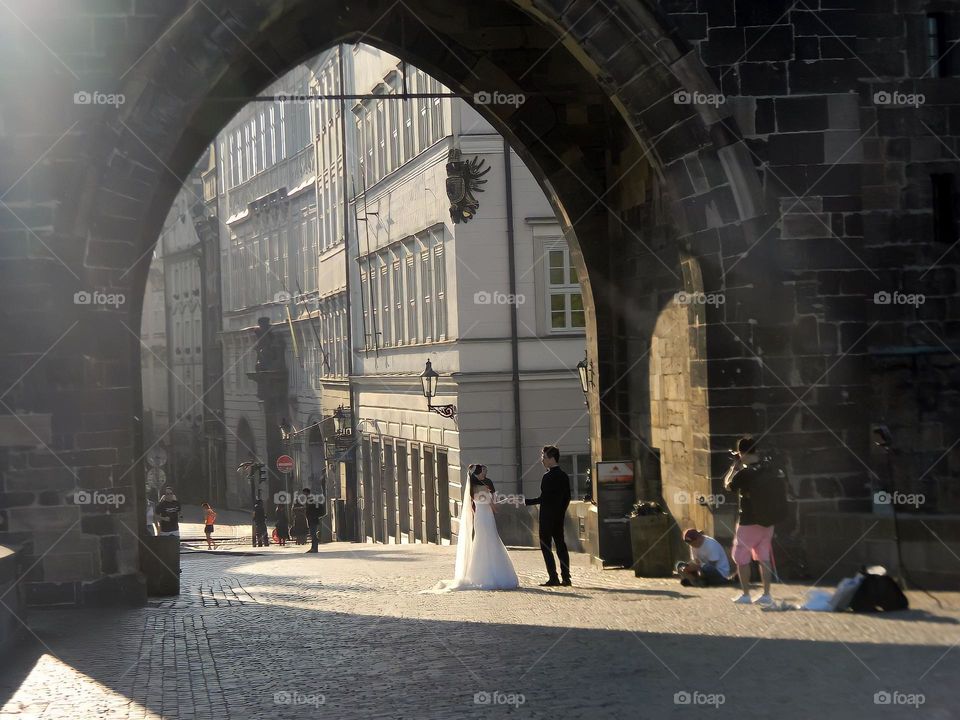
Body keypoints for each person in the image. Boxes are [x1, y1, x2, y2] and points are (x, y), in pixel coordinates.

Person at [426, 463, 519, 592]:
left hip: (479, 517)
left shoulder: (472, 488)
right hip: (487, 517)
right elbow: (494, 506)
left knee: (481, 542)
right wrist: (506, 501)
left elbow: (474, 506)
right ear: (478, 473)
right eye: (483, 471)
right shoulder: (484, 487)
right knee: (492, 541)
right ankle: (494, 573)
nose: (485, 473)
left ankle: (477, 574)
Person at [724, 435, 788, 606]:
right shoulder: (768, 467)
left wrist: (733, 469)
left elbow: (728, 485)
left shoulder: (744, 473)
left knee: (740, 556)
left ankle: (746, 594)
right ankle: (766, 594)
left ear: (741, 452)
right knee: (763, 556)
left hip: (748, 521)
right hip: (768, 520)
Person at [525, 446, 572, 586]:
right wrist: (561, 512)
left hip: (547, 517)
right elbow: (567, 498)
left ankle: (553, 577)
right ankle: (566, 577)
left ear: (552, 459)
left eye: (544, 457)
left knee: (546, 547)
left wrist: (525, 501)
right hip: (559, 517)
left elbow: (543, 499)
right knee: (561, 546)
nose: (542, 460)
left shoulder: (547, 476)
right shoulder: (563, 475)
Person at [302, 488, 322, 553]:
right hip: (311, 519)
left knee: (313, 534)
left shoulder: (310, 500)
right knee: (312, 534)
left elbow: (312, 509)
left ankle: (315, 548)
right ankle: (313, 548)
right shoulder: (309, 500)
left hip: (313, 519)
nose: (304, 495)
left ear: (306, 493)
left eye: (304, 493)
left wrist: (310, 514)